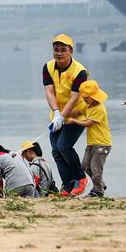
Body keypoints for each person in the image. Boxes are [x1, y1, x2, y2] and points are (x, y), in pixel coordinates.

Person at [42, 34, 89, 197]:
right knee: (56, 151)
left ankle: (80, 178)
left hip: (76, 114)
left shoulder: (80, 71)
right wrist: (56, 113)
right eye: (56, 50)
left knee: (64, 146)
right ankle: (68, 186)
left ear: (71, 51)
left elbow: (75, 97)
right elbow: (49, 91)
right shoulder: (48, 67)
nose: (59, 53)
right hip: (56, 116)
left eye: (63, 50)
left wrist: (62, 116)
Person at [65, 81, 111, 198]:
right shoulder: (88, 106)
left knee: (96, 168)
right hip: (91, 142)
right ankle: (100, 184)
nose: (85, 100)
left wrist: (74, 121)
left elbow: (89, 123)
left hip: (102, 143)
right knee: (85, 165)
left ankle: (98, 191)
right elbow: (79, 111)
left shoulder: (99, 108)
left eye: (88, 98)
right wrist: (63, 115)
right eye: (85, 98)